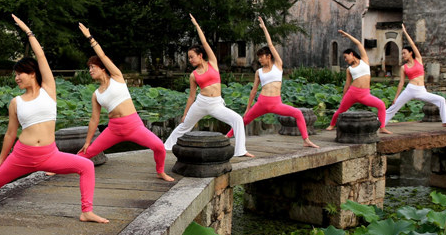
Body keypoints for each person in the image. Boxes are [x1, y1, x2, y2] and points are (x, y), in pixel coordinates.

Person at [0, 15, 108, 224]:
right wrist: (1, 159)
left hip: (49, 155)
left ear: (32, 73)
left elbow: (40, 55)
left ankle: (86, 211)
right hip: (22, 155)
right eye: (15, 75)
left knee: (86, 167)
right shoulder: (16, 102)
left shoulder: (48, 90)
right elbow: (11, 133)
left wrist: (27, 31)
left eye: (19, 74)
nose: (16, 78)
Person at [76, 23, 175, 182]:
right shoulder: (96, 94)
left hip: (134, 125)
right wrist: (87, 141)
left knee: (159, 147)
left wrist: (90, 37)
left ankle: (160, 171)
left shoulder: (117, 77)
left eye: (93, 67)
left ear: (102, 68)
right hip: (114, 129)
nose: (90, 70)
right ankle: (57, 168)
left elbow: (103, 56)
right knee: (88, 152)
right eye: (89, 68)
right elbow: (94, 119)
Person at [164, 14, 254, 157]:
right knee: (184, 126)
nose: (190, 60)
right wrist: (185, 113)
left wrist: (196, 25)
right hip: (201, 103)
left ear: (200, 56)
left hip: (216, 104)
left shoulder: (212, 62)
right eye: (189, 58)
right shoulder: (193, 75)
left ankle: (240, 151)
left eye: (192, 57)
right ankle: (165, 147)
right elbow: (191, 96)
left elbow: (205, 43)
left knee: (237, 119)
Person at [226, 17, 319, 148]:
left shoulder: (278, 65)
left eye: (261, 57)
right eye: (258, 58)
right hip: (262, 102)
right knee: (244, 120)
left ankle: (306, 140)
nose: (259, 60)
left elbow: (270, 45)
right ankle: (227, 137)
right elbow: (253, 91)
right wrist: (248, 108)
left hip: (276, 103)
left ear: (268, 56)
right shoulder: (259, 72)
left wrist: (264, 28)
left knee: (297, 113)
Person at [385, 24, 446, 127]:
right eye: (402, 54)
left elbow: (412, 44)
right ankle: (379, 123)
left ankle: (445, 122)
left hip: (421, 90)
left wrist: (405, 32)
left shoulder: (418, 60)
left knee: (441, 100)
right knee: (394, 107)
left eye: (404, 53)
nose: (403, 55)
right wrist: (396, 97)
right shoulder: (404, 67)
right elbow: (401, 83)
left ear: (410, 53)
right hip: (410, 89)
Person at [326, 30, 392, 134]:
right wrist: (344, 97)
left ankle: (382, 127)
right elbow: (347, 84)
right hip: (352, 93)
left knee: (381, 105)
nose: (345, 59)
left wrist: (347, 35)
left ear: (351, 54)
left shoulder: (364, 60)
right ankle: (331, 125)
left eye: (345, 57)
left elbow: (358, 43)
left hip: (365, 94)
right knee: (340, 110)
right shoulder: (349, 69)